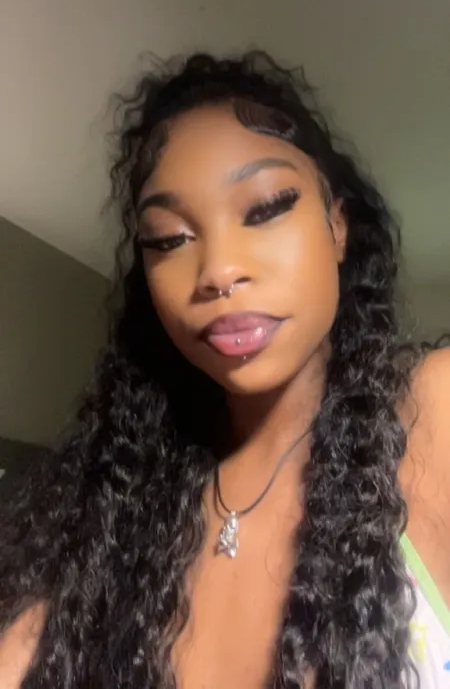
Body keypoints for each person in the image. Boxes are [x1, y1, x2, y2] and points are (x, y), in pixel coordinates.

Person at [0, 52, 449, 689]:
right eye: (169, 239)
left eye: (265, 208)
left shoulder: (434, 415)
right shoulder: (120, 510)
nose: (217, 270)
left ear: (338, 225)